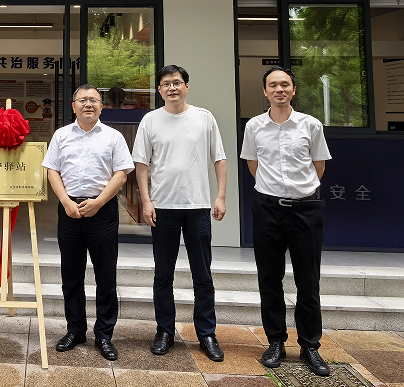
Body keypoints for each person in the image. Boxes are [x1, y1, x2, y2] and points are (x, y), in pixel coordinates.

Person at [240, 67, 332, 377]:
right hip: (267, 210)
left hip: (305, 211)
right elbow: (253, 164)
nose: (279, 89)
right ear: (264, 91)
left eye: (285, 84)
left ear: (293, 90)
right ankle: (275, 342)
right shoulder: (254, 126)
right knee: (269, 279)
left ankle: (310, 345)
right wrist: (275, 191)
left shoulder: (311, 125)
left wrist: (297, 192)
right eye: (273, 85)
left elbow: (318, 166)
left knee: (308, 281)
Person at [132, 65, 227, 362]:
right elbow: (141, 165)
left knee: (203, 275)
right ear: (159, 89)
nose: (172, 87)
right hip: (163, 208)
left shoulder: (204, 117)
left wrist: (220, 196)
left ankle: (207, 334)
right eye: (166, 83)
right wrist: (146, 201)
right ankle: (164, 331)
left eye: (177, 82)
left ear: (187, 86)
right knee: (163, 274)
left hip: (197, 206)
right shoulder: (150, 120)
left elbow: (219, 159)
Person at [42, 84, 134, 361]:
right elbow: (52, 171)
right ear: (73, 106)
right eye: (82, 100)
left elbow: (121, 174)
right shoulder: (61, 135)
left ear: (102, 106)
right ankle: (75, 330)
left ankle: (104, 334)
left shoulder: (113, 137)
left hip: (102, 210)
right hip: (69, 210)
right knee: (71, 276)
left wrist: (98, 202)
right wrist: (66, 202)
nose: (88, 104)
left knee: (105, 276)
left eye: (94, 100)